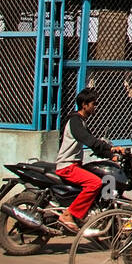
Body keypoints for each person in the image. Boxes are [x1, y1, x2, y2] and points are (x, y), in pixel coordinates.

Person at [53, 87, 124, 234]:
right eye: (94, 103)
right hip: (67, 166)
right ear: (84, 105)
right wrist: (110, 148)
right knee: (95, 183)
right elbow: (90, 141)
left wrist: (113, 156)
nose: (95, 107)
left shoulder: (81, 122)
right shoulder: (75, 121)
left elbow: (95, 147)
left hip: (75, 165)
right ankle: (69, 215)